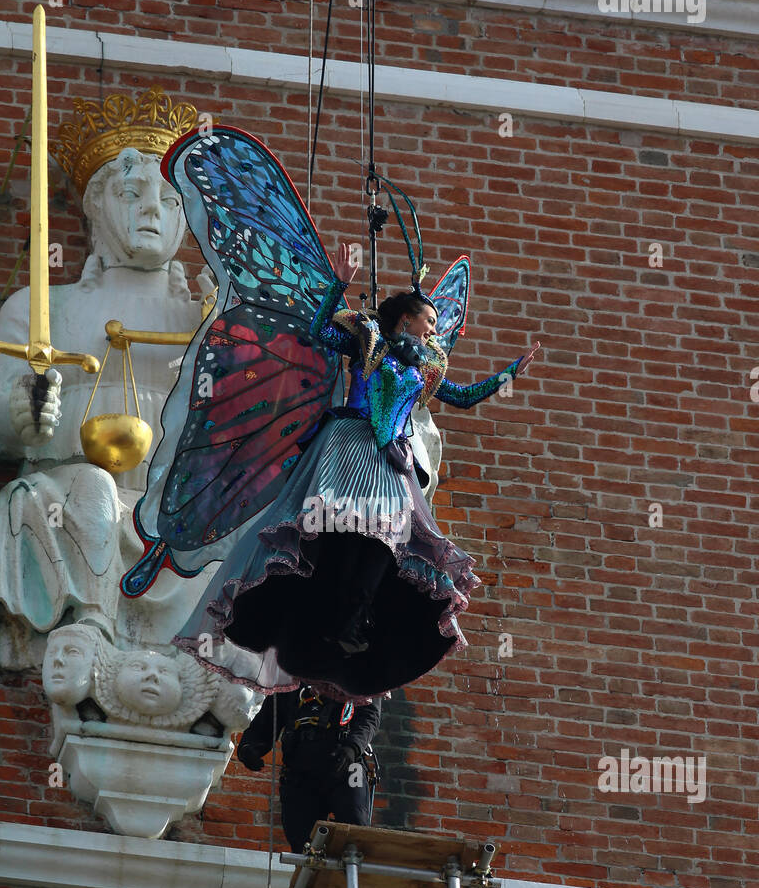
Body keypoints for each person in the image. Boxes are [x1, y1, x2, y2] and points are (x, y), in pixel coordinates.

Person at [174, 240, 539, 701]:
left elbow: (463, 396)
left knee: (390, 537)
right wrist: (339, 283)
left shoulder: (426, 367)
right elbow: (320, 330)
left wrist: (509, 375)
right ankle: (325, 611)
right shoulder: (367, 339)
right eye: (430, 320)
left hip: (392, 457)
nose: (435, 328)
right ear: (406, 318)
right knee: (339, 527)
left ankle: (354, 617)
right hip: (350, 443)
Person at [236, 685, 382, 852]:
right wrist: (250, 747)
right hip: (300, 772)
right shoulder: (292, 679)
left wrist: (353, 747)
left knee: (355, 831)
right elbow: (268, 719)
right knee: (302, 845)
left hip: (344, 766)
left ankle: (353, 872)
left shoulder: (360, 673)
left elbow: (369, 716)